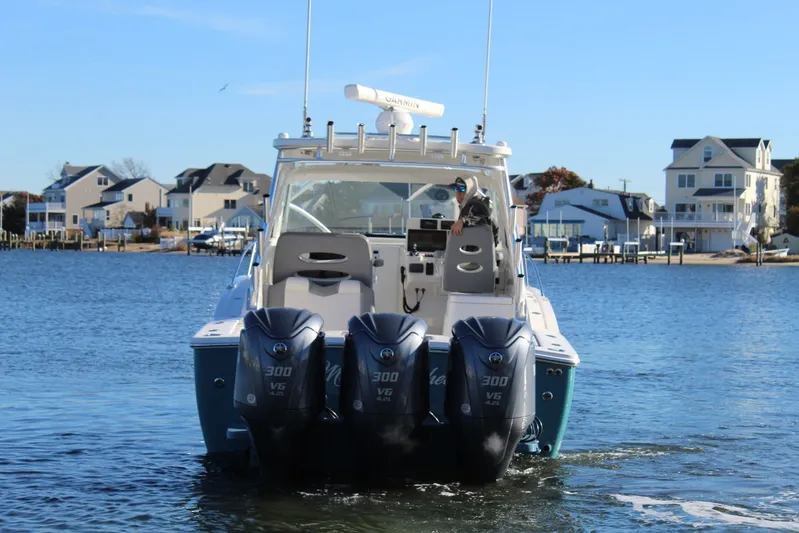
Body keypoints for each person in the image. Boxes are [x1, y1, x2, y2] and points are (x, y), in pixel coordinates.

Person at [448, 176, 498, 244]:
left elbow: (483, 220)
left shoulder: (477, 204)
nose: (458, 193)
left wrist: (463, 221)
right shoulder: (466, 206)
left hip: (479, 250)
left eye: (462, 189)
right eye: (456, 189)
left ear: (470, 189)